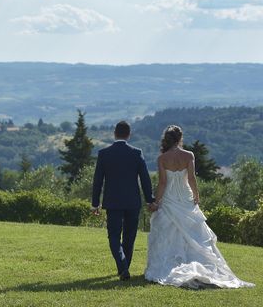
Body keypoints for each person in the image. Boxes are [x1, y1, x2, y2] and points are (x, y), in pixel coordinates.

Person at [144, 125, 254, 289]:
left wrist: (157, 202)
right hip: (185, 198)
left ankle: (169, 265)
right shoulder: (189, 155)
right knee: (194, 234)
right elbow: (191, 179)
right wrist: (196, 195)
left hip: (169, 198)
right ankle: (197, 263)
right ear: (180, 138)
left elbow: (162, 183)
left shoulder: (162, 158)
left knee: (169, 232)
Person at [91, 121, 156, 281]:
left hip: (112, 201)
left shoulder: (104, 153)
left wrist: (95, 203)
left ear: (115, 133)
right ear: (129, 134)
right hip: (132, 201)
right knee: (129, 236)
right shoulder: (136, 153)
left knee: (113, 236)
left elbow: (97, 181)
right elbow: (145, 179)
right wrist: (150, 200)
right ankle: (124, 267)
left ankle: (123, 267)